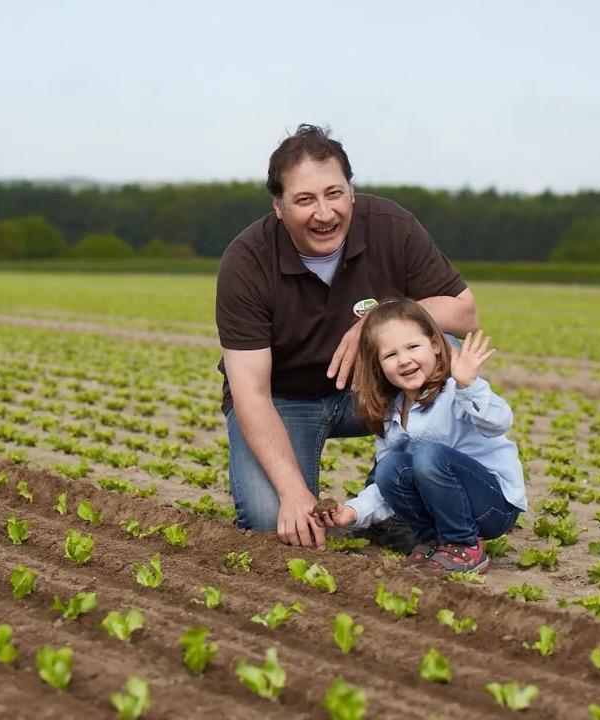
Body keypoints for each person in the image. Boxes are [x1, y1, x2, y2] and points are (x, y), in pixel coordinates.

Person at [215, 124, 478, 549]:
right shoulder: (246, 263)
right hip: (285, 400)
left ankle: (392, 501)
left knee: (450, 355)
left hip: (369, 391)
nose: (324, 213)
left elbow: (464, 313)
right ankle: (307, 493)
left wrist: (380, 321)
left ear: (351, 192)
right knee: (273, 526)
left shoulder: (391, 226)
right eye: (305, 199)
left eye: (334, 193)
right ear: (279, 206)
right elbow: (251, 394)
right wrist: (294, 492)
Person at [309, 299, 525, 576]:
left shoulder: (454, 392)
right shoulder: (392, 413)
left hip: (493, 506)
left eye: (413, 347)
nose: (404, 360)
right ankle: (433, 541)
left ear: (435, 344)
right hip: (446, 506)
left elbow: (499, 422)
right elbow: (387, 487)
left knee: (428, 455)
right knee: (388, 468)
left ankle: (464, 545)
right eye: (390, 355)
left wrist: (469, 385)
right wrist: (352, 513)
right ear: (378, 365)